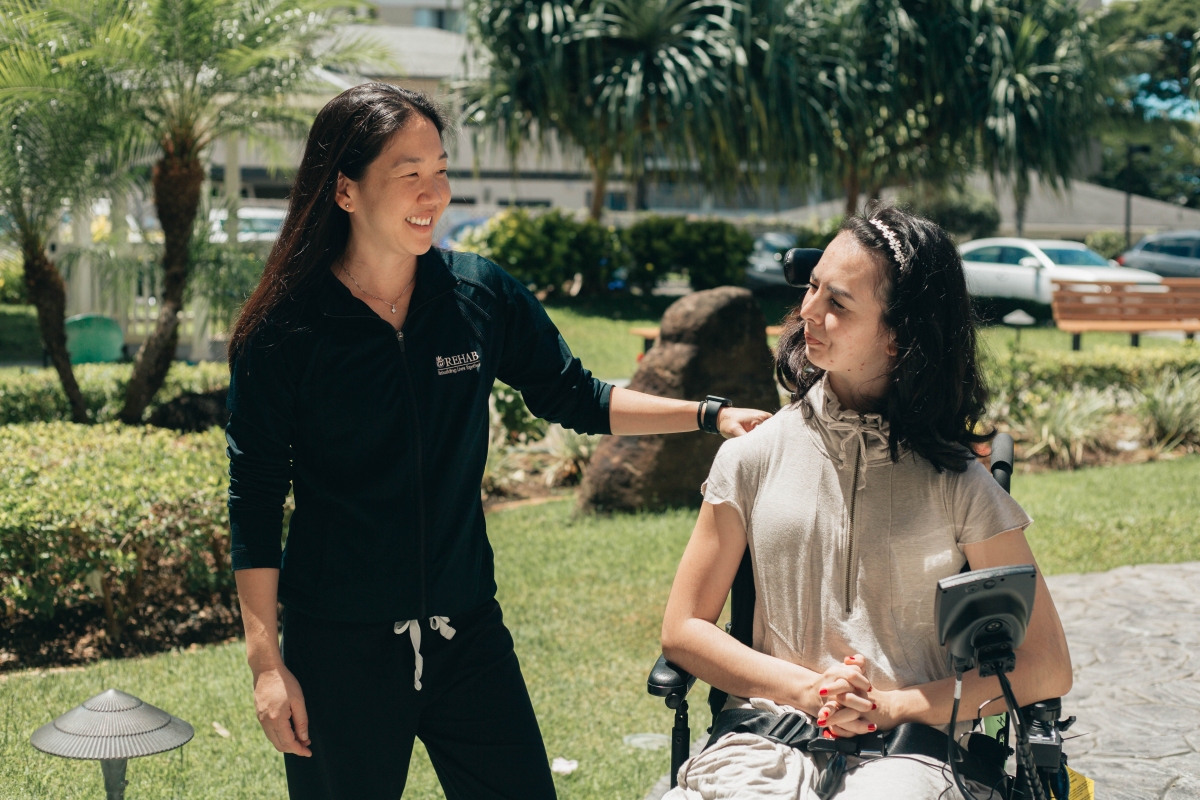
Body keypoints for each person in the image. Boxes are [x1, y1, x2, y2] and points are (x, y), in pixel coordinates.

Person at [224, 82, 771, 800]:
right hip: (339, 650)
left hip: (467, 637)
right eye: (408, 175)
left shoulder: (476, 296)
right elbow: (255, 498)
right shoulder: (285, 330)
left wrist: (708, 415)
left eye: (441, 170)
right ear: (346, 191)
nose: (434, 193)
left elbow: (577, 393)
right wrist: (268, 664)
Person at [659, 207, 1073, 799]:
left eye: (839, 303)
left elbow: (1047, 665)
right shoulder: (752, 457)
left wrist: (893, 705)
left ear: (899, 333)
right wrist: (807, 690)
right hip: (766, 741)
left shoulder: (958, 483)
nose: (808, 312)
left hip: (913, 754)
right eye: (812, 287)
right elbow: (684, 629)